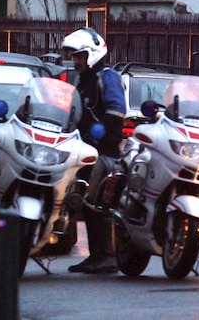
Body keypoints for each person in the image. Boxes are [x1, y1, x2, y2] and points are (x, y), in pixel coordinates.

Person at [62, 27, 126, 274]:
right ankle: (96, 255)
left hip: (103, 150)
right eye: (74, 56)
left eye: (79, 56)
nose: (75, 61)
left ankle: (107, 255)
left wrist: (102, 133)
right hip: (85, 148)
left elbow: (116, 110)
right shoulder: (84, 80)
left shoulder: (106, 77)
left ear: (92, 54)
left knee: (99, 201)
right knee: (86, 199)